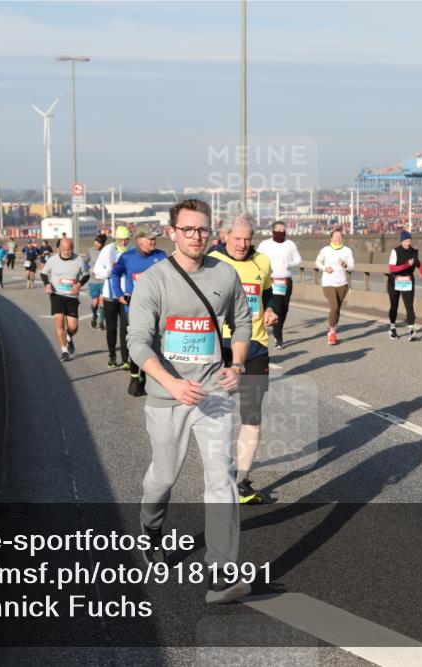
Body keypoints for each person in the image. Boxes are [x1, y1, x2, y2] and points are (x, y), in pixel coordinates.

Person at [126, 198, 253, 604]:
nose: (196, 236)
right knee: (163, 478)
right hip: (168, 397)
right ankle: (150, 530)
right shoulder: (154, 280)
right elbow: (137, 343)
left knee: (222, 478)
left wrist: (237, 364)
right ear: (173, 232)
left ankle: (221, 571)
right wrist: (171, 383)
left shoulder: (226, 274)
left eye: (202, 229)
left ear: (210, 231)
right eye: (188, 230)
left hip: (215, 393)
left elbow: (243, 321)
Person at [209, 213, 279, 505]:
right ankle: (217, 478)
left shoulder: (261, 262)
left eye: (247, 239)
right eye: (237, 238)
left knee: (251, 417)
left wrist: (272, 310)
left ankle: (240, 482)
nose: (242, 244)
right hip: (220, 347)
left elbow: (270, 292)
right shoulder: (211, 261)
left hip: (256, 346)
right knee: (217, 415)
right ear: (225, 236)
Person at [111, 229, 169, 396]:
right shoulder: (127, 258)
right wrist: (119, 294)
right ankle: (135, 377)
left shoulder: (162, 256)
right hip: (135, 308)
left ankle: (150, 375)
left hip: (158, 307)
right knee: (140, 342)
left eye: (154, 239)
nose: (153, 242)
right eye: (150, 239)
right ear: (139, 241)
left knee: (155, 343)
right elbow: (115, 274)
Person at [41, 237, 89, 361]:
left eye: (70, 249)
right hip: (57, 294)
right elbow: (44, 273)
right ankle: (64, 351)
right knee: (60, 321)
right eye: (65, 249)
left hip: (72, 296)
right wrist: (47, 284)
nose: (68, 252)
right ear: (59, 249)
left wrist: (79, 285)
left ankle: (69, 336)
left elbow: (86, 275)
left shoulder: (79, 260)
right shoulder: (52, 260)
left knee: (73, 327)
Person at [256, 220, 301, 349]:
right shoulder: (265, 244)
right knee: (277, 308)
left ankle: (278, 331)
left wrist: (289, 264)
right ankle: (278, 337)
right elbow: (257, 258)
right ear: (273, 231)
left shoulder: (290, 244)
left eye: (283, 231)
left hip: (286, 281)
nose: (281, 233)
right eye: (278, 231)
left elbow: (298, 259)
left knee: (284, 309)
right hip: (272, 281)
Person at [94, 226, 131, 368]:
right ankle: (112, 355)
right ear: (116, 239)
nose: (123, 242)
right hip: (110, 295)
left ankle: (125, 359)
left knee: (126, 328)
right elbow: (97, 270)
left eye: (126, 239)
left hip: (126, 296)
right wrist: (109, 272)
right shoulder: (107, 250)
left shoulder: (132, 250)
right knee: (111, 329)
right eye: (121, 240)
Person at [314, 228, 354, 345]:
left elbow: (352, 267)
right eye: (336, 236)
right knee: (334, 307)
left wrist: (345, 264)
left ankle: (333, 329)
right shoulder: (325, 250)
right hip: (328, 282)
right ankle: (331, 333)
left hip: (342, 284)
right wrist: (325, 268)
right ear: (331, 238)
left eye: (340, 236)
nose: (338, 238)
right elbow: (317, 262)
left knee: (337, 310)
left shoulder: (347, 251)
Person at [386, 229, 422, 341]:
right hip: (395, 280)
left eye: (409, 240)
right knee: (394, 305)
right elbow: (391, 268)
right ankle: (392, 327)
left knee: (409, 306)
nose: (407, 242)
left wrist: (421, 269)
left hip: (408, 280)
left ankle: (411, 330)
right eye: (405, 240)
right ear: (401, 241)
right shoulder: (395, 251)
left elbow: (417, 262)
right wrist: (407, 264)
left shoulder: (414, 252)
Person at [87, 234, 108, 329]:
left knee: (102, 302)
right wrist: (88, 269)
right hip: (93, 281)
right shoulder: (91, 251)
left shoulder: (106, 251)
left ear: (102, 243)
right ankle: (94, 315)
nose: (96, 243)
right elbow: (84, 261)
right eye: (95, 241)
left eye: (98, 242)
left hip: (104, 281)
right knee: (95, 302)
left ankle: (101, 322)